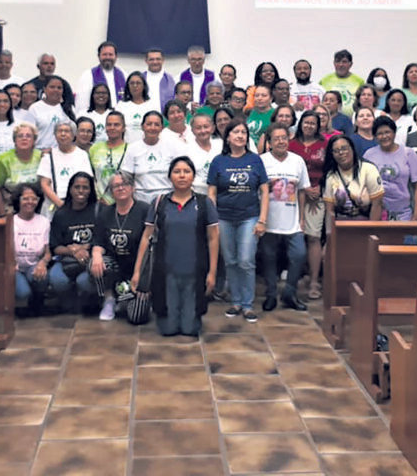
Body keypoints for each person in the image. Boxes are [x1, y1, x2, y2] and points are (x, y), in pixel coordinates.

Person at [131, 157, 220, 337]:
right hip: (165, 272)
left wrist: (212, 272)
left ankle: (189, 316)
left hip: (194, 271)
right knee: (168, 329)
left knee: (190, 330)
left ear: (193, 177)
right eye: (177, 172)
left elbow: (213, 238)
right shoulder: (159, 202)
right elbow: (147, 236)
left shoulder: (204, 203)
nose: (182, 176)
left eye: (186, 172)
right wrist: (137, 271)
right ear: (170, 176)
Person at [208, 120, 268, 322]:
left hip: (249, 217)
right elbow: (212, 192)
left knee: (245, 260)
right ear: (228, 137)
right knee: (231, 261)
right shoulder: (218, 161)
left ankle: (248, 305)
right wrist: (212, 219)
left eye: (244, 132)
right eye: (236, 132)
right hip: (223, 218)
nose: (240, 135)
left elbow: (264, 191)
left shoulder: (255, 160)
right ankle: (235, 302)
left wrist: (262, 220)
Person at [259, 124, 310, 311]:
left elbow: (302, 191)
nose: (281, 141)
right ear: (269, 142)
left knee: (299, 255)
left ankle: (290, 293)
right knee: (268, 258)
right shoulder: (261, 161)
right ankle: (271, 294)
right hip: (269, 220)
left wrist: (302, 219)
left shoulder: (298, 161)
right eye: (276, 138)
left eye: (284, 137)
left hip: (292, 221)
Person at [90, 173, 149, 321]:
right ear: (111, 191)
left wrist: (139, 275)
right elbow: (99, 242)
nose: (121, 188)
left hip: (139, 267)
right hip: (115, 265)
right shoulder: (105, 213)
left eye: (125, 184)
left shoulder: (144, 210)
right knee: (94, 263)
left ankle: (131, 299)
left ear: (133, 188)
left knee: (137, 317)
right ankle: (109, 298)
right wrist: (96, 256)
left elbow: (150, 246)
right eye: (116, 186)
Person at [288, 110, 329, 300]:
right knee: (293, 237)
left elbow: (330, 169)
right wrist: (302, 189)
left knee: (313, 237)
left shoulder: (325, 144)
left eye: (313, 123)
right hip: (292, 197)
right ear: (300, 124)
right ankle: (293, 279)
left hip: (316, 197)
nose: (309, 126)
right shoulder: (291, 144)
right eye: (306, 122)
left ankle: (314, 281)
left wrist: (319, 188)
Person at [47, 172, 99, 313]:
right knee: (57, 279)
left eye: (85, 187)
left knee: (84, 281)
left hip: (91, 259)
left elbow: (102, 240)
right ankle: (67, 299)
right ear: (70, 189)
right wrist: (73, 251)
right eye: (77, 187)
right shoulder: (61, 214)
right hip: (66, 260)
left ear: (91, 190)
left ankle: (90, 299)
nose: (81, 191)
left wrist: (85, 248)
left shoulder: (98, 211)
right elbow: (55, 247)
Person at [364, 116, 417, 222]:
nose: (384, 136)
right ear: (375, 137)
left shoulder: (408, 153)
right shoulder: (369, 155)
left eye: (388, 132)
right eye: (380, 133)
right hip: (378, 213)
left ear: (394, 133)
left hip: (404, 213)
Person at [123, 110, 187, 202]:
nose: (153, 128)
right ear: (142, 126)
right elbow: (126, 176)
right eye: (149, 124)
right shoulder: (132, 148)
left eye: (157, 125)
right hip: (141, 199)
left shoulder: (172, 146)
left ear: (162, 128)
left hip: (168, 198)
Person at [323, 135, 383, 225]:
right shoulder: (331, 175)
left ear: (352, 149)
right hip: (341, 225)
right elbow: (329, 210)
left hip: (366, 222)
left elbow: (377, 204)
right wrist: (331, 235)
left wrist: (372, 231)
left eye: (344, 148)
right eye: (336, 151)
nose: (341, 153)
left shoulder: (368, 169)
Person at [0, 121, 43, 217]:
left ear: (34, 140)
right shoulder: (3, 159)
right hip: (9, 207)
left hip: (36, 206)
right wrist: (2, 215)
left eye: (28, 136)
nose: (24, 138)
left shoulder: (41, 157)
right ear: (14, 140)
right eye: (20, 136)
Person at [12, 184, 51, 317]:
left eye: (34, 199)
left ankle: (38, 303)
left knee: (42, 277)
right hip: (15, 267)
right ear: (18, 200)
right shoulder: (10, 222)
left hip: (33, 265)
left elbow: (48, 252)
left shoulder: (44, 222)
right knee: (23, 292)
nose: (30, 202)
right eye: (25, 198)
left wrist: (43, 263)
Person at [37, 120, 93, 211]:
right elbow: (44, 184)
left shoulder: (82, 155)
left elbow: (87, 181)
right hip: (54, 205)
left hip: (77, 205)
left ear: (74, 135)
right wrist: (60, 204)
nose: (63, 134)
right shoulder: (48, 156)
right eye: (59, 131)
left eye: (67, 131)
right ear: (55, 135)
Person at [89, 111, 128, 205]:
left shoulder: (130, 150)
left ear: (123, 128)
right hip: (99, 202)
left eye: (116, 125)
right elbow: (91, 176)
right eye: (109, 125)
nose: (112, 128)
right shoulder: (94, 149)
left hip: (123, 202)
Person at [76, 41, 125, 113]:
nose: (108, 57)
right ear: (99, 56)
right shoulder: (88, 75)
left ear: (116, 56)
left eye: (110, 54)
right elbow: (82, 102)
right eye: (104, 54)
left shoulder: (124, 75)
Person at [29, 75, 75, 150]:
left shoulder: (68, 108)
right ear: (44, 89)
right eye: (52, 87)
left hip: (62, 153)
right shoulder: (34, 108)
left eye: (59, 88)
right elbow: (29, 134)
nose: (56, 90)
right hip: (40, 152)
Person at [185, 110, 222, 194]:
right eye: (198, 128)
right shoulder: (186, 150)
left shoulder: (220, 145)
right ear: (192, 130)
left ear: (213, 128)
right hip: (197, 194)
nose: (203, 131)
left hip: (220, 193)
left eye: (206, 127)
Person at [320, 49, 365, 116]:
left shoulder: (359, 81)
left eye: (344, 62)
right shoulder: (324, 81)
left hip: (352, 121)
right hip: (329, 120)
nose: (341, 65)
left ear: (351, 64)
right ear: (334, 63)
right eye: (338, 61)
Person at [116, 71, 152, 143]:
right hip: (126, 147)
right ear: (128, 86)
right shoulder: (121, 105)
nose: (135, 86)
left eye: (138, 83)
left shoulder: (152, 105)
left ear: (144, 86)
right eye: (132, 83)